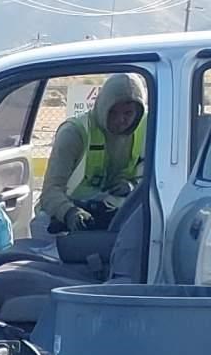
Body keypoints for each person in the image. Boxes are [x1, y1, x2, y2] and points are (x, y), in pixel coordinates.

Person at [34, 72, 147, 262]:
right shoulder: (75, 133)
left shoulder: (147, 129)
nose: (121, 120)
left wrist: (130, 186)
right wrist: (70, 214)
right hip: (61, 224)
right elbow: (50, 192)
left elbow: (155, 178)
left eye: (128, 113)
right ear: (102, 106)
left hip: (112, 220)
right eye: (114, 112)